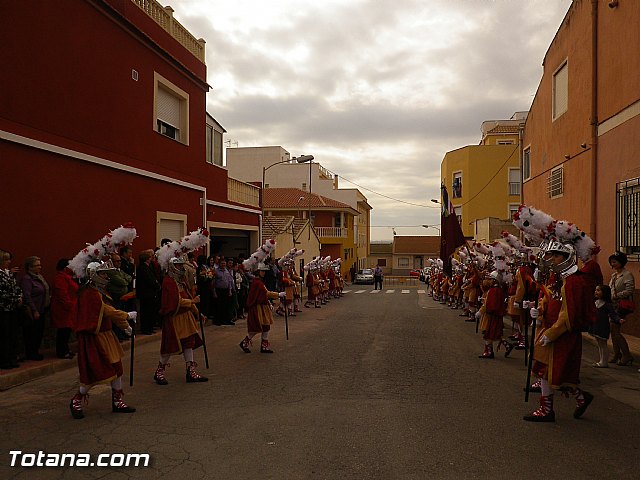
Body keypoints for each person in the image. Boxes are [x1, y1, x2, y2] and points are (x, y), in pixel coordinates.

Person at [524, 240, 595, 422]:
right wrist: (538, 310)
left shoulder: (574, 282)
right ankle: (579, 398)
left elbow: (568, 313)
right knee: (548, 371)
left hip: (562, 334)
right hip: (551, 330)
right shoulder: (558, 279)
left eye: (556, 255)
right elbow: (550, 300)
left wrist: (552, 333)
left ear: (567, 257)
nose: (552, 259)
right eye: (552, 255)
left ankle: (547, 410)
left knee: (554, 372)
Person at [69, 261, 137, 419]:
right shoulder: (89, 293)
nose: (107, 276)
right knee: (96, 372)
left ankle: (117, 400)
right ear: (93, 275)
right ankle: (76, 399)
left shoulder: (101, 292)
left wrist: (125, 326)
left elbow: (109, 312)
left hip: (107, 336)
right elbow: (106, 310)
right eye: (103, 273)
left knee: (117, 368)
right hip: (95, 338)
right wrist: (126, 315)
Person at [154, 255, 208, 385]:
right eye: (178, 265)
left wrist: (197, 312)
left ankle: (190, 371)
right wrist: (192, 301)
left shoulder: (181, 281)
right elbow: (176, 301)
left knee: (188, 343)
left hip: (186, 317)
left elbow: (187, 296)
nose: (181, 267)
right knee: (170, 346)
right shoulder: (168, 281)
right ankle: (159, 371)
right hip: (174, 318)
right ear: (172, 267)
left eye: (181, 265)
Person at [239, 262, 287, 354]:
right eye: (262, 271)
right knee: (256, 328)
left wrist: (269, 302)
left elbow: (264, 295)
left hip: (263, 308)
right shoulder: (257, 283)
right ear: (257, 271)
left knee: (266, 327)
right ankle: (245, 342)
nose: (264, 273)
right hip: (257, 309)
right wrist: (278, 294)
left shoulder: (260, 282)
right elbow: (266, 293)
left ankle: (264, 347)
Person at [477, 271, 514, 359]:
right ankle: (507, 345)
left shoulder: (494, 290)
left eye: (490, 279)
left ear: (495, 281)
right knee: (494, 333)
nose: (488, 281)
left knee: (489, 333)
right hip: (495, 315)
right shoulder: (495, 290)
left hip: (493, 315)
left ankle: (489, 352)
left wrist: (481, 311)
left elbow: (490, 304)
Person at [608, 251, 635, 366]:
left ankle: (626, 354)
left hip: (620, 306)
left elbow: (629, 290)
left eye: (615, 262)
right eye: (612, 262)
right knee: (613, 331)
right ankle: (616, 354)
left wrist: (616, 296)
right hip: (613, 305)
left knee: (616, 331)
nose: (613, 264)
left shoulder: (627, 275)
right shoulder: (614, 275)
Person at [20, 256, 50, 361]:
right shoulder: (27, 279)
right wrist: (34, 310)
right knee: (32, 334)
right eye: (37, 265)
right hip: (33, 311)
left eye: (40, 265)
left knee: (38, 333)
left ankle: (35, 351)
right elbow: (27, 296)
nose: (40, 267)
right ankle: (31, 353)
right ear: (30, 267)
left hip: (42, 309)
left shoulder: (39, 277)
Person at [50, 258, 77, 359]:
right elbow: (62, 294)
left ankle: (65, 349)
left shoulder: (66, 277)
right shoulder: (60, 278)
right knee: (63, 331)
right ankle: (61, 351)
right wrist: (68, 305)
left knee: (66, 331)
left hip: (67, 308)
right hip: (62, 309)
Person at [0, 250, 22, 370]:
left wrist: (19, 296)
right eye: (6, 259)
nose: (9, 262)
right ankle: (4, 359)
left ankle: (12, 357)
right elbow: (2, 293)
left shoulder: (9, 273)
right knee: (4, 335)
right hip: (3, 308)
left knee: (13, 334)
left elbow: (16, 287)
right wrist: (14, 298)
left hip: (12, 308)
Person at [589, 285, 619, 367]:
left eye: (598, 290)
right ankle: (601, 360)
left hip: (603, 326)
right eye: (596, 290)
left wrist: (618, 320)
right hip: (596, 325)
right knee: (599, 344)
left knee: (603, 344)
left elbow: (613, 314)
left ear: (604, 293)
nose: (596, 292)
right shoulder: (596, 302)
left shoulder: (607, 304)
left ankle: (604, 362)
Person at [136, 249, 161, 335]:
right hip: (146, 293)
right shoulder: (142, 268)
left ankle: (149, 327)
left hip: (150, 293)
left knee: (150, 311)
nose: (151, 258)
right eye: (150, 257)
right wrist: (156, 284)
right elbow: (150, 280)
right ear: (147, 258)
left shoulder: (148, 267)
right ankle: (146, 328)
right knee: (146, 312)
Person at [213, 258, 235, 325]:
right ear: (219, 264)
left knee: (226, 306)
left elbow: (229, 281)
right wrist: (214, 292)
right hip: (219, 290)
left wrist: (230, 290)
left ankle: (226, 320)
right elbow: (213, 282)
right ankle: (218, 320)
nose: (223, 265)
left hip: (226, 290)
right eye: (222, 263)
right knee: (219, 306)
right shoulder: (216, 271)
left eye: (224, 263)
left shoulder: (227, 271)